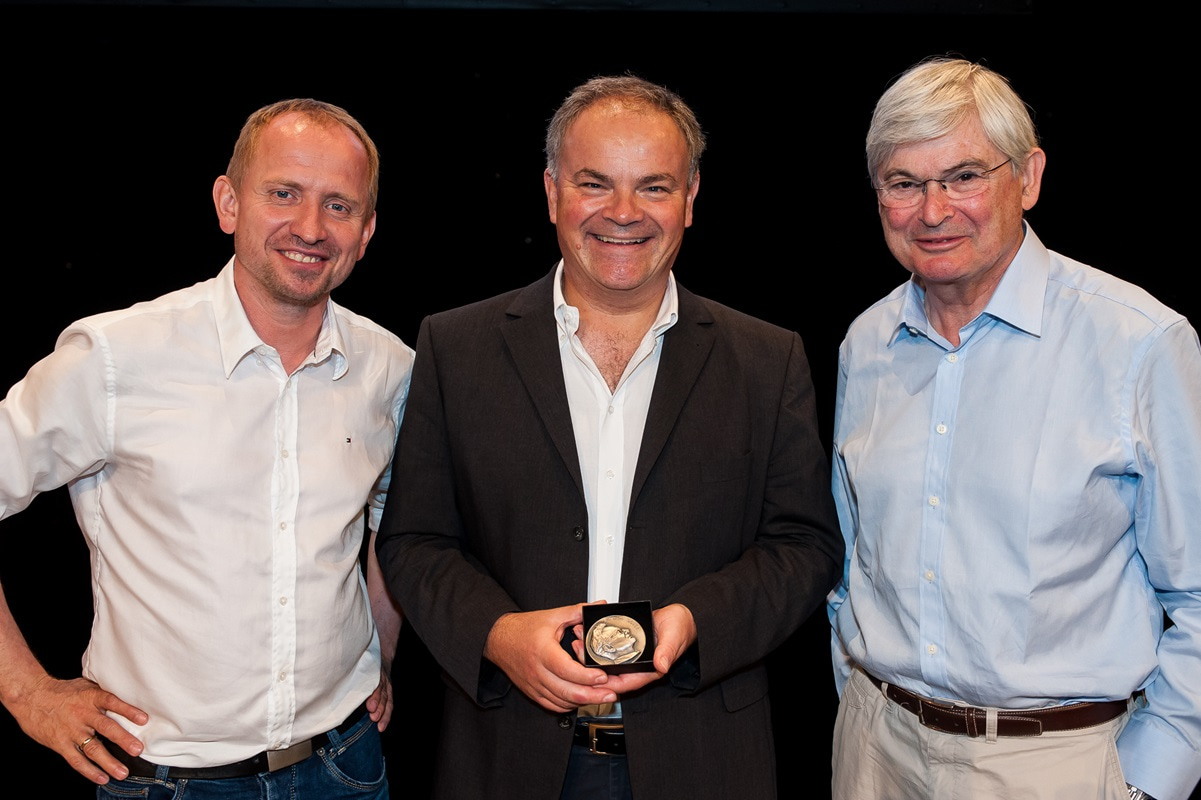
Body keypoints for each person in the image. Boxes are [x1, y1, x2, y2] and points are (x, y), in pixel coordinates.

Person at [375, 75, 842, 799]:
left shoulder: (766, 358)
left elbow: (803, 547)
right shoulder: (455, 346)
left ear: (690, 199)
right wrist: (498, 634)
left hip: (702, 759)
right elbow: (414, 542)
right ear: (552, 190)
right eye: (595, 183)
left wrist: (693, 621)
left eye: (652, 187)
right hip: (506, 757)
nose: (623, 214)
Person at [0, 98, 413, 799]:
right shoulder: (112, 358)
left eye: (339, 206)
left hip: (346, 767)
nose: (310, 228)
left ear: (366, 230)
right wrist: (26, 692)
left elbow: (401, 523)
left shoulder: (390, 369)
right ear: (228, 202)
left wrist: (379, 650)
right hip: (168, 781)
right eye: (283, 194)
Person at [828, 57, 1201, 800]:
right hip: (875, 752)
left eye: (963, 175)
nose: (932, 211)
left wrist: (1152, 779)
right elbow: (853, 564)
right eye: (903, 184)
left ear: (1026, 178)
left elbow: (1196, 590)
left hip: (1052, 765)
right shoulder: (864, 343)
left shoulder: (1138, 342)